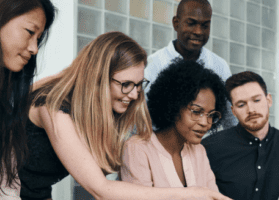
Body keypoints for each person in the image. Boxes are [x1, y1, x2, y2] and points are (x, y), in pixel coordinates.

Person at [19, 31, 231, 200]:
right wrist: (190, 193)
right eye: (126, 84)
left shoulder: (96, 113)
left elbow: (36, 184)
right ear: (99, 77)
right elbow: (101, 190)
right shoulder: (51, 105)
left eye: (139, 85)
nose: (134, 94)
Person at [121, 58, 231, 200]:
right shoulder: (137, 148)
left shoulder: (199, 151)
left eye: (211, 115)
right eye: (196, 112)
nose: (205, 122)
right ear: (173, 106)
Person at [201, 71, 279, 200]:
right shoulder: (210, 147)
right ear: (234, 111)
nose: (251, 110)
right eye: (241, 105)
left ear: (269, 100)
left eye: (257, 100)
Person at [145, 0, 237, 130]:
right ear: (176, 23)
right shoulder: (153, 64)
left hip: (207, 148)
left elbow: (230, 119)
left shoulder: (219, 66)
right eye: (191, 23)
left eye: (205, 25)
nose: (198, 31)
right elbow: (140, 118)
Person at [0, 0, 56, 198]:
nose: (34, 49)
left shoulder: (10, 101)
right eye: (30, 32)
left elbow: (8, 188)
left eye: (38, 38)